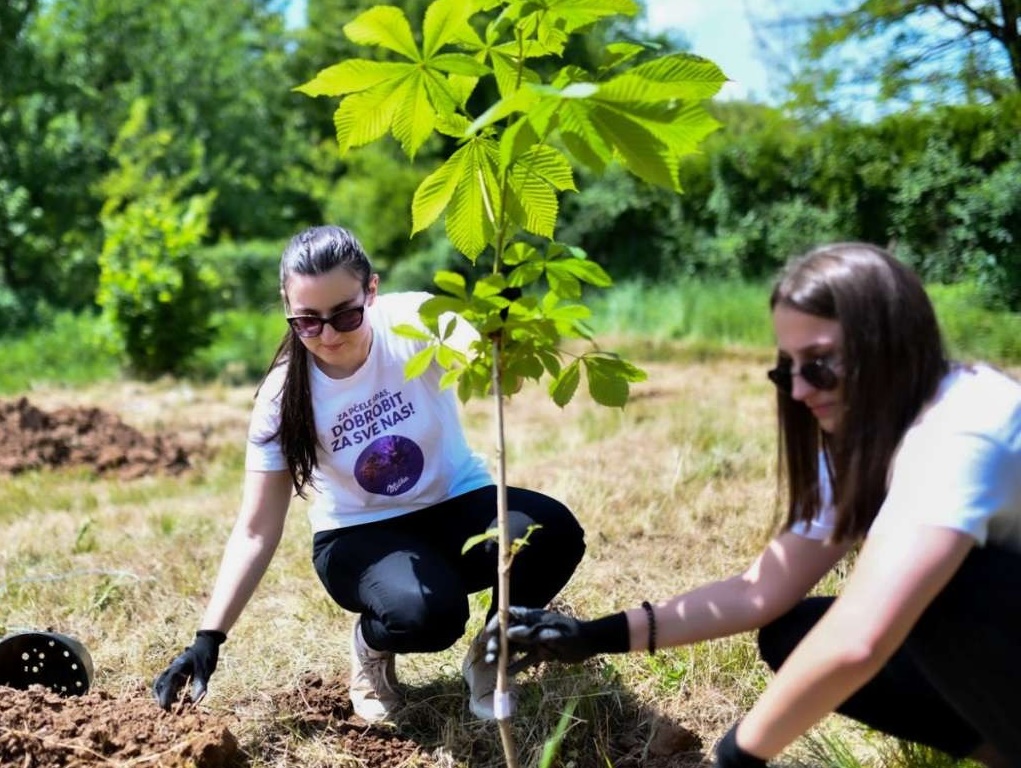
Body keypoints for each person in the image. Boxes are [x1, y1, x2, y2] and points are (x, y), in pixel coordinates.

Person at [485, 242, 1021, 766]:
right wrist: (592, 635)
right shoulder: (868, 440)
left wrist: (738, 753)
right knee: (794, 634)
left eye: (820, 363)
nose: (799, 391)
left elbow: (861, 637)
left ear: (889, 343)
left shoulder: (963, 430)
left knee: (942, 591)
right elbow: (759, 591)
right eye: (788, 369)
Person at [153, 224, 586, 722]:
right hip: (358, 534)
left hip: (454, 500)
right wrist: (208, 638)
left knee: (552, 533)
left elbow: (492, 371)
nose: (328, 335)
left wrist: (500, 341)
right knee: (429, 616)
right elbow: (256, 529)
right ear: (287, 306)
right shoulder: (280, 398)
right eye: (308, 321)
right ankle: (370, 645)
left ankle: (494, 654)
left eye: (345, 315)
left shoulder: (419, 322)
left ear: (372, 291)